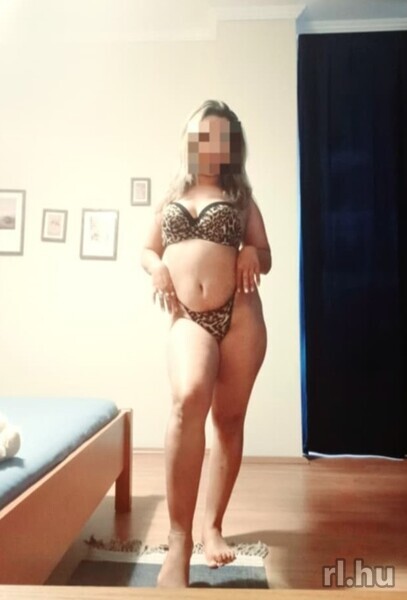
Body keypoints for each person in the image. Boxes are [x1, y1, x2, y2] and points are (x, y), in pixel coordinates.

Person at [141, 99, 272, 588]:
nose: (210, 145)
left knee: (229, 420)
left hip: (240, 315)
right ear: (190, 139)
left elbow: (266, 253)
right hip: (188, 317)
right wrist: (156, 267)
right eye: (203, 135)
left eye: (220, 138)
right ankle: (178, 542)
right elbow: (147, 248)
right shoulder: (170, 195)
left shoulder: (241, 197)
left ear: (231, 147)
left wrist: (252, 252)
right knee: (188, 398)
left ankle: (211, 527)